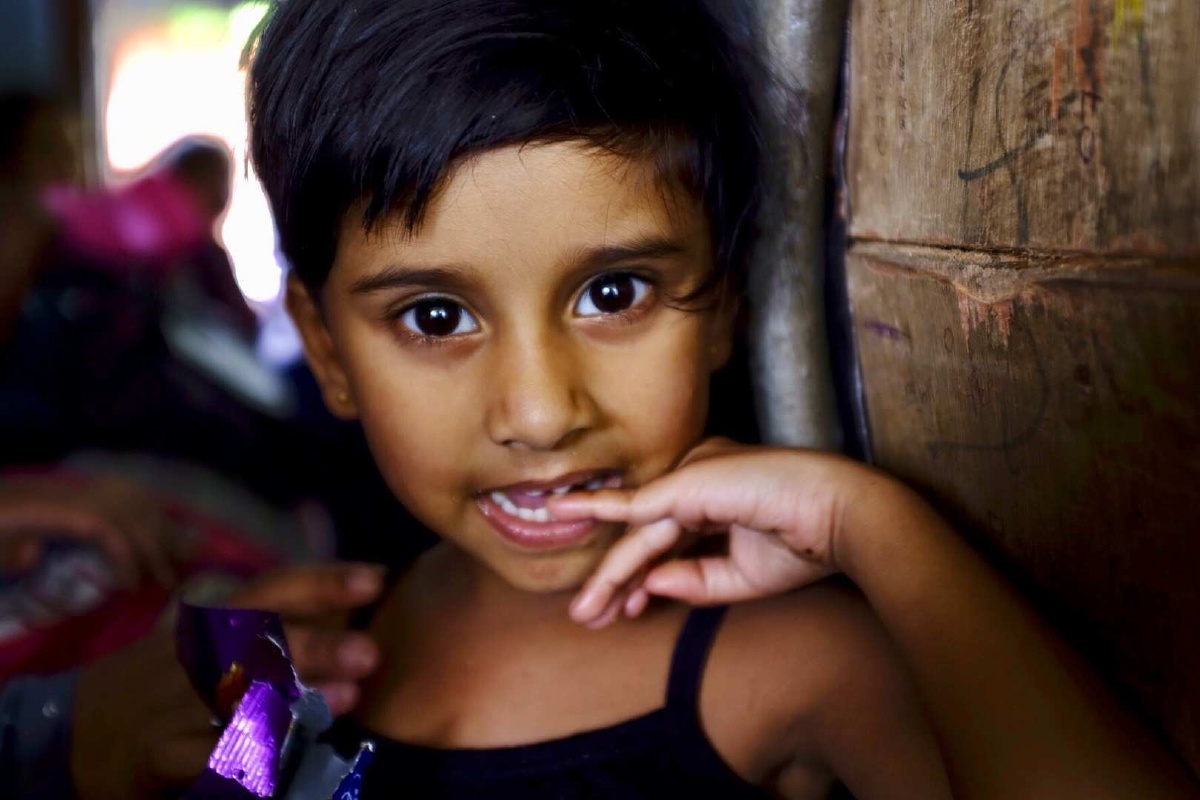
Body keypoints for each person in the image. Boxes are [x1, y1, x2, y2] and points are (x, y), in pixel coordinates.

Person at [244, 0, 1200, 797]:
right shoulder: (322, 656)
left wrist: (868, 522)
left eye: (612, 294)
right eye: (438, 316)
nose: (538, 413)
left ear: (724, 310)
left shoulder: (797, 664)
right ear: (326, 347)